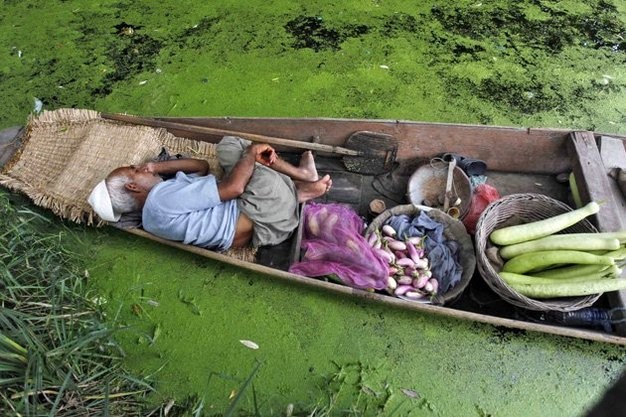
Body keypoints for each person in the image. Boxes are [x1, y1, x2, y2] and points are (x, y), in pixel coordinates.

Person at [88, 136, 332, 251]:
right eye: (134, 170)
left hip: (269, 226)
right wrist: (250, 154)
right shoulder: (161, 200)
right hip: (266, 215)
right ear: (133, 187)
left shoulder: (152, 217)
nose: (139, 166)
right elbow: (233, 188)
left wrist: (156, 167)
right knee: (248, 155)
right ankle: (304, 178)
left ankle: (296, 194)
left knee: (227, 147)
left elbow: (202, 167)